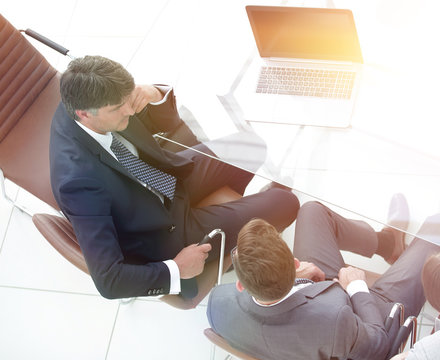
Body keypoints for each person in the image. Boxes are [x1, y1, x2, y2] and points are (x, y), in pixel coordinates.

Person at [49, 55, 299, 307]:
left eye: (128, 100)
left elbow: (167, 123)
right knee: (286, 202)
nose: (129, 111)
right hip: (163, 230)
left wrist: (154, 94)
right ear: (84, 115)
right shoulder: (77, 183)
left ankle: (235, 231)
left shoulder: (92, 99)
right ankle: (242, 228)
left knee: (250, 145)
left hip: (167, 178)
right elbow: (109, 281)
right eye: (118, 109)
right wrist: (176, 270)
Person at [207, 195, 440, 360]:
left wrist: (300, 280)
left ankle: (389, 244)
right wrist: (356, 287)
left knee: (311, 211)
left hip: (314, 296)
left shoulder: (217, 305)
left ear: (241, 284)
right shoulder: (335, 321)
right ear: (296, 262)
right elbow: (377, 344)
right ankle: (436, 260)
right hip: (368, 313)